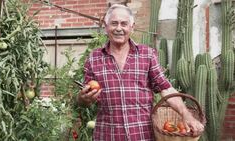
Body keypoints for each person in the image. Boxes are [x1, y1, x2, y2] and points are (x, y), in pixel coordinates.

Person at [77, 4, 204, 141]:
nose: (119, 28)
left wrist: (186, 114)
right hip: (108, 135)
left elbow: (166, 88)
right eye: (114, 23)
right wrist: (83, 99)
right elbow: (85, 99)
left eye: (124, 24)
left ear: (132, 27)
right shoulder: (94, 58)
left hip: (142, 136)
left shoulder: (147, 54)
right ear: (106, 26)